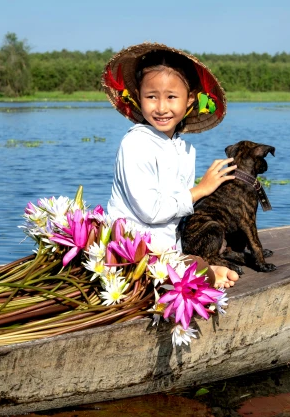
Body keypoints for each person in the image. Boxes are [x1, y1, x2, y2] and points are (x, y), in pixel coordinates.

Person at [102, 42, 240, 289]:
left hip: (163, 252)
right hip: (130, 252)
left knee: (207, 263)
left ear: (189, 101)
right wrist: (201, 189)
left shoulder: (184, 149)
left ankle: (196, 267)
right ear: (138, 99)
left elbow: (175, 220)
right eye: (152, 97)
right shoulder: (135, 144)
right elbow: (151, 212)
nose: (162, 108)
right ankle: (198, 270)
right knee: (202, 275)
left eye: (171, 97)